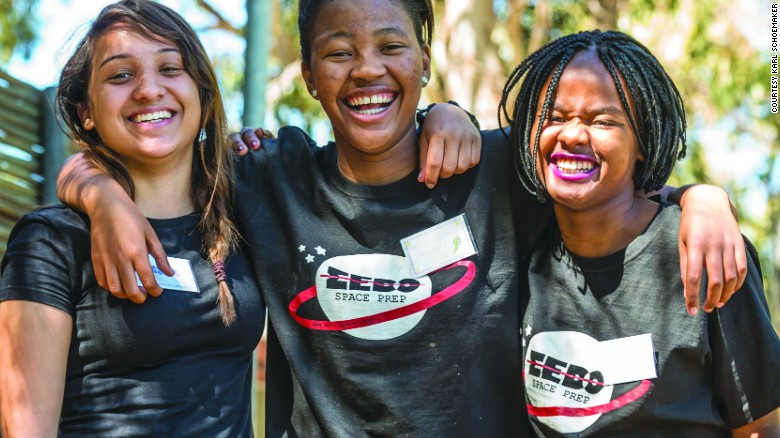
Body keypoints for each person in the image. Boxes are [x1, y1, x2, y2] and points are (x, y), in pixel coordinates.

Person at [56, 0, 747, 436]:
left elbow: (607, 187)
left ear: (424, 57)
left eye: (391, 46)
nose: (367, 69)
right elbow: (154, 157)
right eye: (338, 51)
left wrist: (700, 199)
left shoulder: (500, 170)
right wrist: (98, 192)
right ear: (307, 74)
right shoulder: (269, 179)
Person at [0, 1, 265, 435]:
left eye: (170, 68)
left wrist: (423, 123)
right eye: (121, 75)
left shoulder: (243, 210)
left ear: (202, 91)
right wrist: (103, 197)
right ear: (86, 110)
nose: (147, 89)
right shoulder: (50, 241)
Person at [500, 30, 780, 436]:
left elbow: (760, 428)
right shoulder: (520, 243)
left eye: (602, 121)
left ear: (641, 143)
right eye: (555, 117)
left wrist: (705, 198)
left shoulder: (702, 250)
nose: (573, 134)